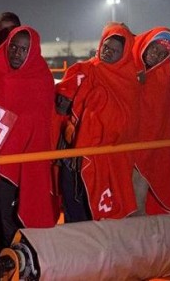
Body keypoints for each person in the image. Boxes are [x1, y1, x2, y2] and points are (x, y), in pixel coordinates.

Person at [0, 26, 58, 279]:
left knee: (11, 225)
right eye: (14, 48)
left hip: (18, 169)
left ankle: (17, 273)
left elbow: (40, 127)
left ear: (34, 51)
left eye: (24, 50)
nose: (17, 54)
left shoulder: (41, 78)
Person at [54, 22, 140, 221]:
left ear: (125, 54)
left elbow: (126, 123)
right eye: (106, 47)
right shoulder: (83, 70)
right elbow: (60, 105)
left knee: (97, 214)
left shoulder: (129, 82)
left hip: (108, 158)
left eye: (115, 51)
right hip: (73, 156)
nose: (108, 53)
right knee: (74, 212)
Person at [130, 27, 170, 215]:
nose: (156, 55)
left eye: (163, 53)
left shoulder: (163, 78)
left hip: (145, 151)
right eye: (154, 48)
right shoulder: (123, 67)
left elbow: (159, 117)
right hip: (117, 147)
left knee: (137, 201)